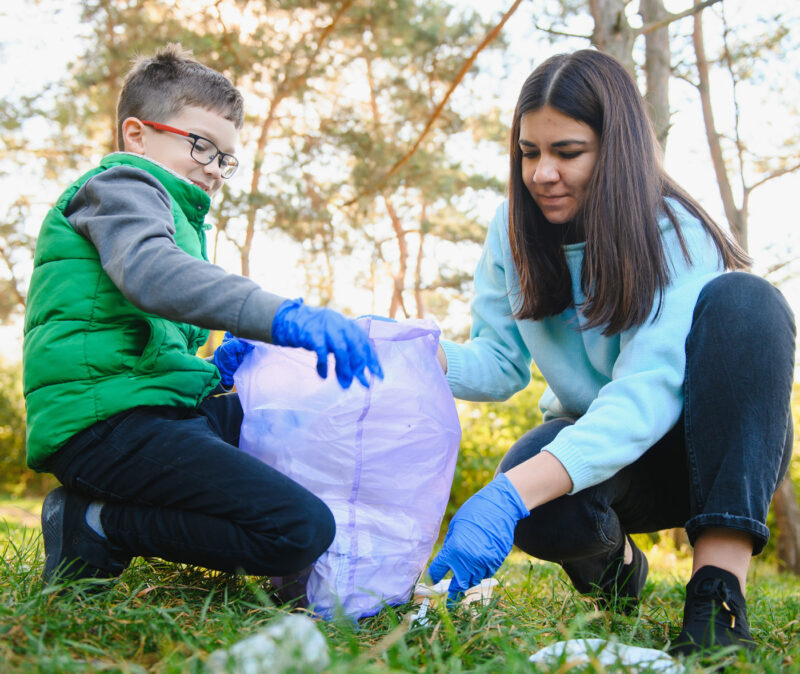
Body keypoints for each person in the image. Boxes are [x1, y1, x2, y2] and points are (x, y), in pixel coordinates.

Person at [427, 49, 794, 656]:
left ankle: (717, 597)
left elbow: (646, 393)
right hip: (610, 457)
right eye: (529, 152)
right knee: (532, 480)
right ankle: (620, 573)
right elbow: (499, 363)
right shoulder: (511, 231)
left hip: (708, 453)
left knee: (747, 300)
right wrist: (414, 354)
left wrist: (510, 492)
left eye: (567, 153)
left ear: (615, 149)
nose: (543, 173)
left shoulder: (675, 231)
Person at [23, 44, 382, 589]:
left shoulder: (178, 217)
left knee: (283, 419)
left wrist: (219, 370)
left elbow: (151, 338)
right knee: (299, 530)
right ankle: (97, 524)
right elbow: (150, 272)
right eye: (201, 146)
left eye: (226, 158)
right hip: (103, 423)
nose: (215, 170)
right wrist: (277, 314)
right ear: (137, 135)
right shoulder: (121, 187)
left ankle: (334, 572)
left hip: (152, 408)